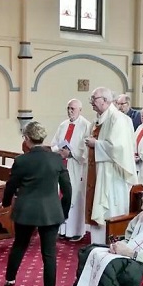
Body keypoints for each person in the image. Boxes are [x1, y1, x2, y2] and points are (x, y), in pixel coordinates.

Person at [2, 121, 71, 286]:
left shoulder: (22, 161)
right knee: (49, 255)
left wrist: (6, 202)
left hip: (26, 212)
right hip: (51, 212)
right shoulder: (56, 160)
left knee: (19, 246)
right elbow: (67, 189)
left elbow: (11, 185)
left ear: (27, 139)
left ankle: (9, 280)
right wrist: (63, 211)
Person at [84, 87, 138, 244]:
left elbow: (119, 148)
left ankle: (109, 244)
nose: (91, 103)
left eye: (94, 99)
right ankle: (97, 244)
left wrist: (96, 144)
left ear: (105, 100)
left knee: (109, 209)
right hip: (99, 172)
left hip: (112, 175)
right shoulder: (99, 118)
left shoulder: (117, 119)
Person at [50, 99, 90, 241]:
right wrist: (58, 151)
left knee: (75, 197)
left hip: (76, 167)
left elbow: (87, 151)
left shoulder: (86, 126)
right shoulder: (63, 125)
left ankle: (76, 231)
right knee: (62, 195)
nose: (70, 111)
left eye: (73, 108)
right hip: (61, 165)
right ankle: (63, 229)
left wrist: (71, 154)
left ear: (80, 109)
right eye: (68, 108)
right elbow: (53, 144)